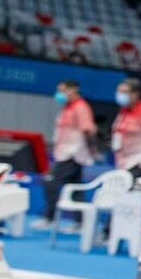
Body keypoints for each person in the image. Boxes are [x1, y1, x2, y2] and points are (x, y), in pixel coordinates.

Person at [32, 80, 97, 229]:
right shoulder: (67, 108)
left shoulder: (81, 107)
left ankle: (50, 217)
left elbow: (88, 130)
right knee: (75, 188)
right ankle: (80, 222)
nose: (59, 94)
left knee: (50, 181)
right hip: (63, 153)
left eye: (62, 90)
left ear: (73, 90)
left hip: (73, 154)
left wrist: (91, 149)